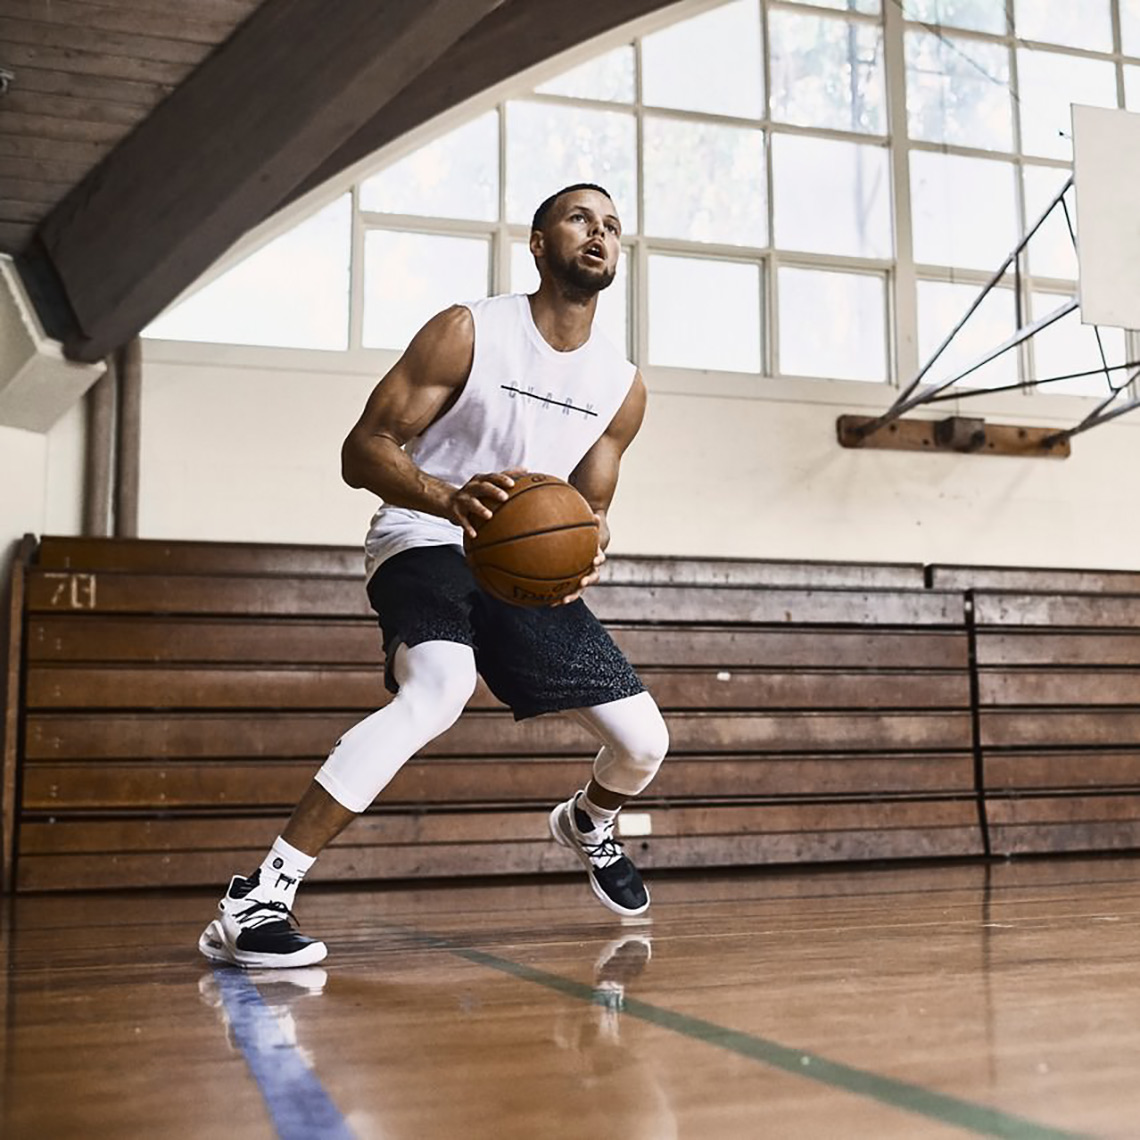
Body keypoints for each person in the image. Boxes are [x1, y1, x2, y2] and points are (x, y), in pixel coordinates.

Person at [198, 183, 670, 969]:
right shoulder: (469, 331)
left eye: (613, 226)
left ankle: (588, 821)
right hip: (422, 535)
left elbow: (589, 503)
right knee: (439, 689)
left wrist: (587, 547)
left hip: (515, 566)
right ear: (539, 241)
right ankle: (259, 899)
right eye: (581, 219)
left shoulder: (620, 386)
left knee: (645, 743)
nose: (600, 233)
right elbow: (364, 451)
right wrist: (449, 499)